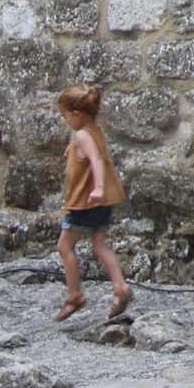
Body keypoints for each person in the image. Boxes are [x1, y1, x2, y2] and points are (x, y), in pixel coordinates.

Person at [54, 84, 132, 322]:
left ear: (77, 114)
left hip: (84, 203)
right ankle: (120, 286)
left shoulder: (82, 135)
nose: (66, 120)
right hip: (103, 204)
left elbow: (96, 161)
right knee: (99, 245)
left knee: (64, 247)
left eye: (66, 116)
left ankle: (75, 295)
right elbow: (92, 154)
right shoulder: (94, 131)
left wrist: (97, 187)